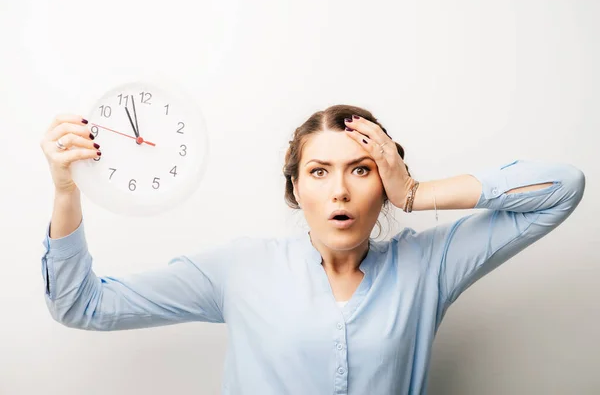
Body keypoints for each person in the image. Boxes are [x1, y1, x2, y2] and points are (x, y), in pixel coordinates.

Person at [39, 105, 586, 395]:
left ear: (386, 180)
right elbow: (81, 305)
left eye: (362, 170)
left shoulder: (429, 266)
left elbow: (562, 188)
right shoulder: (241, 269)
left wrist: (419, 194)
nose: (340, 191)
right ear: (296, 189)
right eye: (320, 172)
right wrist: (67, 191)